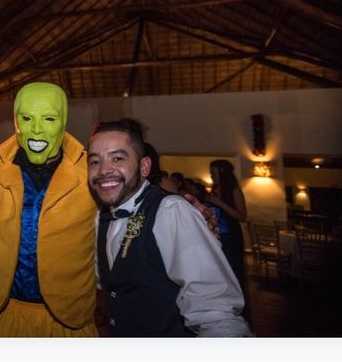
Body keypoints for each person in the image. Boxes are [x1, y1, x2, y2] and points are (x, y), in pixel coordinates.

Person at [0, 82, 217, 337]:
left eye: (49, 118)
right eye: (26, 117)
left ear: (63, 120)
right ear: (15, 120)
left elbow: (134, 199)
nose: (36, 129)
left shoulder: (90, 170)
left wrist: (183, 213)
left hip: (69, 321)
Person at [89, 118, 252, 337]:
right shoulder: (101, 218)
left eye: (117, 158)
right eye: (94, 162)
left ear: (144, 166)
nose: (104, 170)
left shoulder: (171, 211)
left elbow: (215, 311)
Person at [206, 159, 248, 311]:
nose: (211, 176)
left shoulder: (234, 190)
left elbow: (242, 216)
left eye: (214, 173)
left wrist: (220, 203)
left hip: (231, 235)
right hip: (217, 234)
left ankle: (237, 307)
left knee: (233, 270)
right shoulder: (215, 189)